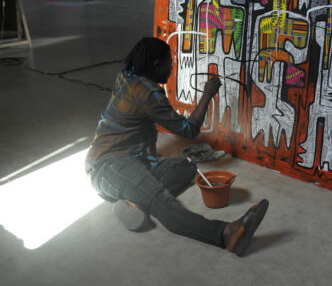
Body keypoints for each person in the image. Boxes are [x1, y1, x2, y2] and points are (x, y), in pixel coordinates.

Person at [85, 37, 268, 257]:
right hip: (107, 166)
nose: (171, 68)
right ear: (156, 65)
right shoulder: (149, 95)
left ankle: (134, 201)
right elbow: (189, 130)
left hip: (135, 160)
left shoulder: (127, 76)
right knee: (160, 200)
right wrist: (207, 95)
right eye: (169, 62)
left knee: (186, 167)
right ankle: (225, 234)